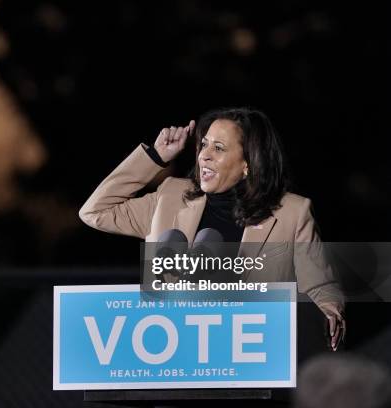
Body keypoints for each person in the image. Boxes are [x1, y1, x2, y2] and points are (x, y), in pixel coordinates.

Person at [79, 107, 345, 350]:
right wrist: (155, 157)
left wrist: (330, 314)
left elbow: (320, 287)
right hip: (172, 353)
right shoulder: (171, 196)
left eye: (218, 148)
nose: (204, 155)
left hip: (246, 359)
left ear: (247, 164)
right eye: (204, 144)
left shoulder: (292, 214)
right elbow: (95, 212)